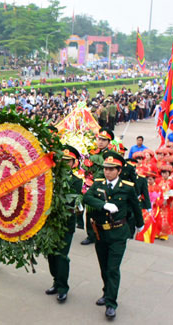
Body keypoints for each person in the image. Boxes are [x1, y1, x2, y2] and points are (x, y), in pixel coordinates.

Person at [83, 151, 144, 319]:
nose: (107, 172)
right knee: (104, 267)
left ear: (119, 170)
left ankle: (111, 303)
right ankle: (106, 292)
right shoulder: (98, 184)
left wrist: (140, 224)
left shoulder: (127, 188)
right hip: (100, 233)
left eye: (111, 169)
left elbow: (135, 206)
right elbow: (87, 198)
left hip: (118, 233)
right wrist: (104, 205)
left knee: (113, 268)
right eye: (105, 169)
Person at [45, 145, 83, 303]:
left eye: (68, 161)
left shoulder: (76, 181)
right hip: (50, 222)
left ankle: (63, 288)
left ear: (74, 163)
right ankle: (56, 281)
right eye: (62, 160)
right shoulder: (50, 177)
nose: (64, 163)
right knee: (51, 255)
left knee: (61, 255)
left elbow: (70, 200)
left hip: (66, 223)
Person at [81, 127, 114, 246]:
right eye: (99, 139)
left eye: (104, 140)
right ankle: (91, 235)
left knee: (102, 210)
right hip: (90, 185)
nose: (100, 142)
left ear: (108, 142)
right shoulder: (92, 152)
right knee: (89, 211)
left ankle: (102, 233)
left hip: (103, 186)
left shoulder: (111, 155)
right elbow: (85, 167)